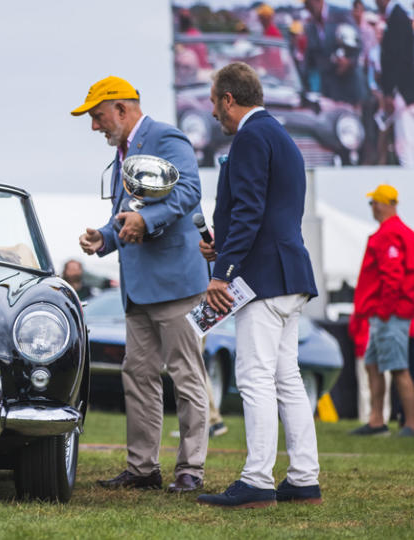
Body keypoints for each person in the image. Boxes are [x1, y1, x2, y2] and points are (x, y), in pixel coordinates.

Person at [73, 76, 210, 494]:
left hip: (175, 283)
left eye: (97, 117)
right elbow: (125, 215)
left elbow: (189, 190)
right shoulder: (124, 150)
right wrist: (103, 238)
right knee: (139, 375)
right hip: (139, 288)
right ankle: (143, 469)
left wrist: (145, 220)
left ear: (121, 108)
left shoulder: (165, 137)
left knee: (186, 376)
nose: (95, 126)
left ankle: (191, 469)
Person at [197, 62, 322, 508]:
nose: (213, 112)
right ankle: (304, 477)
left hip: (263, 279)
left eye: (214, 102)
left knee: (254, 377)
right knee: (286, 377)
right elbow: (269, 212)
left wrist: (221, 272)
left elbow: (249, 210)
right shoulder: (282, 136)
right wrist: (223, 245)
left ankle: (257, 481)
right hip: (291, 273)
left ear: (229, 99)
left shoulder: (250, 137)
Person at [350, 184, 414, 437]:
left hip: (390, 314)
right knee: (372, 364)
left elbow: (392, 276)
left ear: (385, 204)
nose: (372, 208)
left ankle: (410, 424)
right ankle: (377, 421)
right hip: (384, 314)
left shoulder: (390, 234)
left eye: (374, 202)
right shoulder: (397, 232)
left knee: (398, 369)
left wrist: (385, 311)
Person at [375, 0, 414, 166]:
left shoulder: (398, 18)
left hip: (404, 92)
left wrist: (391, 91)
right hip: (406, 90)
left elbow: (396, 59)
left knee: (405, 141)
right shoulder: (398, 17)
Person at [304, 0, 364, 104]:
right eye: (305, 4)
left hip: (349, 89)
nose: (307, 7)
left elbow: (358, 43)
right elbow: (311, 60)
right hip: (328, 93)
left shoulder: (341, 14)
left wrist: (348, 62)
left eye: (308, 3)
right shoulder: (310, 27)